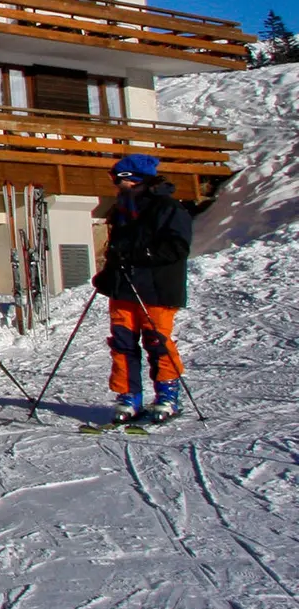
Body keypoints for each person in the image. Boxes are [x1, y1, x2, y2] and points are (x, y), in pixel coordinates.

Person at [94, 154, 193, 421]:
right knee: (122, 342)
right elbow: (117, 249)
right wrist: (108, 274)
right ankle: (129, 396)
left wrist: (139, 254)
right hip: (124, 287)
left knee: (157, 341)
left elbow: (177, 248)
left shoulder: (168, 208)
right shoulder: (122, 208)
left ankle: (167, 395)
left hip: (157, 288)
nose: (115, 185)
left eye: (118, 179)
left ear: (134, 179)